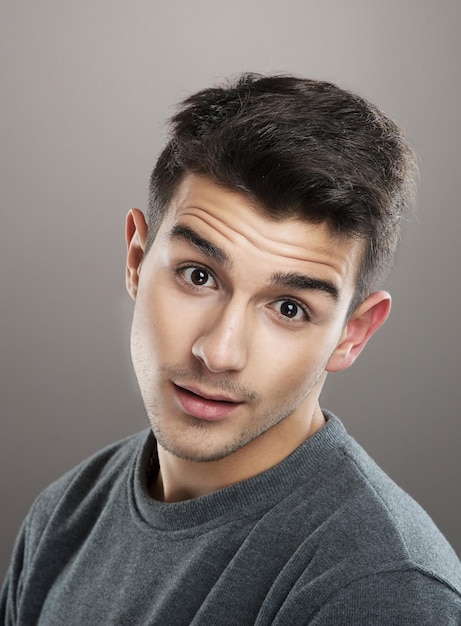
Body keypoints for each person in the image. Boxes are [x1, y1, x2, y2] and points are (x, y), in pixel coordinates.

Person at [1, 73, 460, 625]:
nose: (218, 353)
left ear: (352, 333)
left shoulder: (383, 590)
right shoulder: (63, 518)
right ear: (136, 259)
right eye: (198, 275)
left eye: (289, 308)